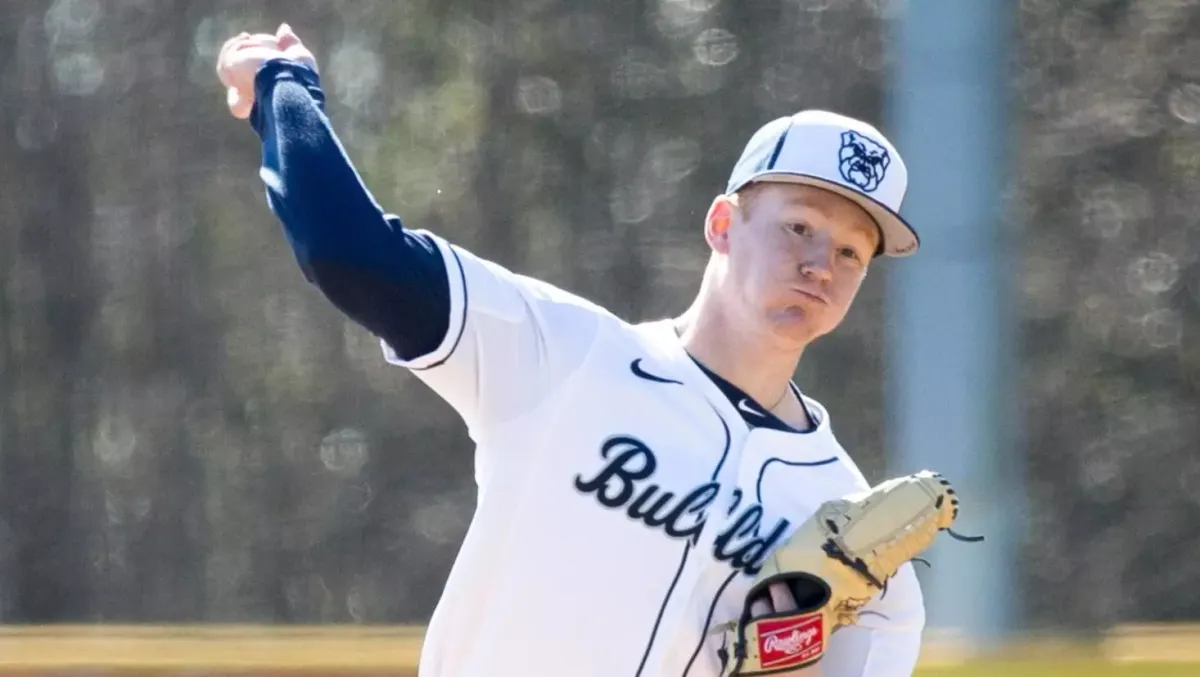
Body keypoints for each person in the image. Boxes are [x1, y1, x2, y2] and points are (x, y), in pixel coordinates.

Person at [217, 23, 930, 677]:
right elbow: (354, 256)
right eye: (798, 226)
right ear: (722, 223)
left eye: (850, 251)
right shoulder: (565, 357)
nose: (820, 266)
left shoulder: (848, 522)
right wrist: (285, 87)